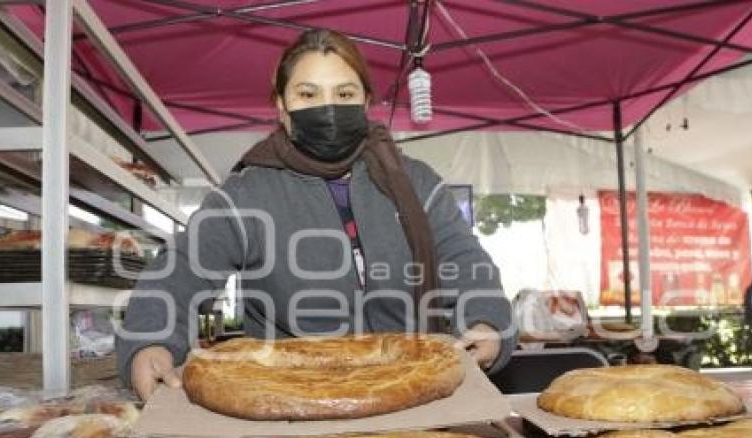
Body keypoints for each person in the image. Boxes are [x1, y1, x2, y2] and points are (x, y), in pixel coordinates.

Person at [116, 29, 516, 400]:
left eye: (344, 94)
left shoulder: (416, 183)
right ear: (282, 106)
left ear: (365, 102)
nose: (327, 108)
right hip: (287, 403)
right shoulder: (246, 194)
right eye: (308, 95)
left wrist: (487, 321)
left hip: (408, 391)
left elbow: (464, 259)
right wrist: (151, 341)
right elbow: (181, 268)